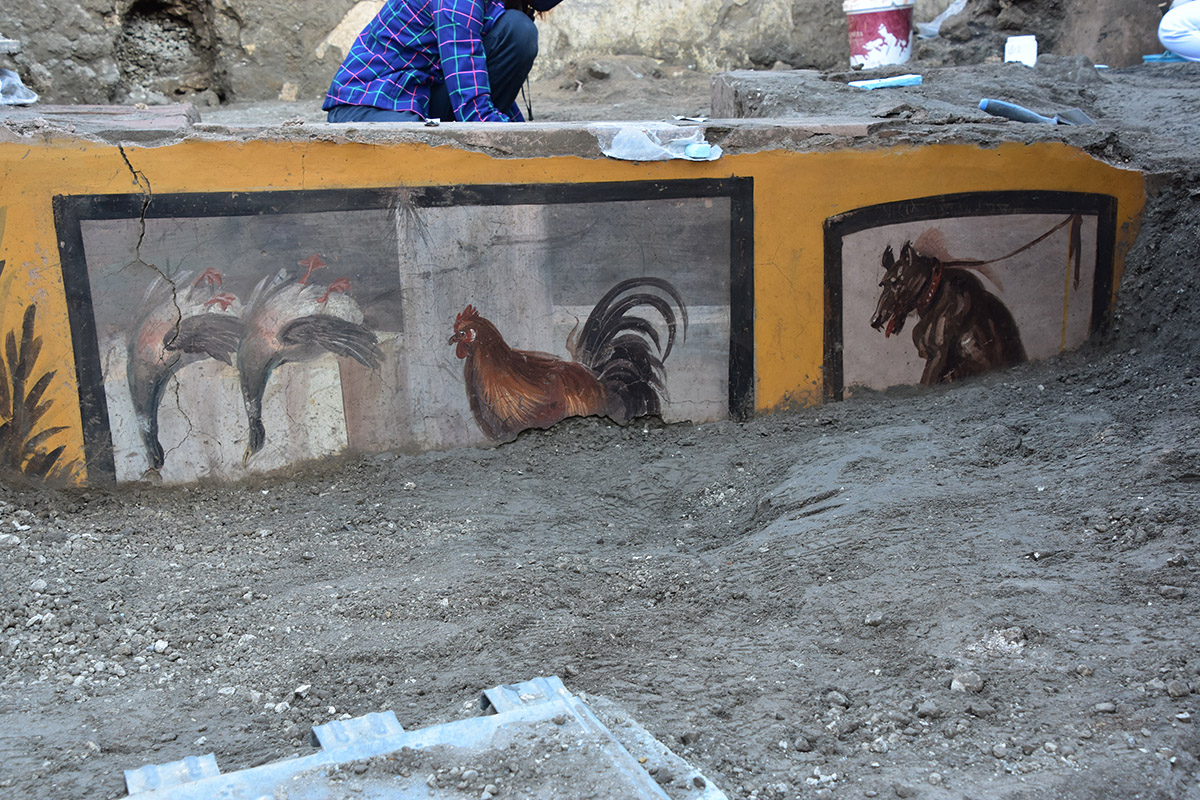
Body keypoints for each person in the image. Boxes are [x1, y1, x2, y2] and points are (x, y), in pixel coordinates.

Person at [324, 0, 562, 123]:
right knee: (417, 150)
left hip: (421, 96)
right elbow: (473, 108)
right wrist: (513, 144)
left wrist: (519, 132)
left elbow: (475, 81)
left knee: (518, 30)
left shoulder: (499, 9)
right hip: (371, 102)